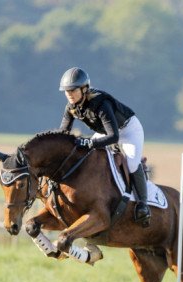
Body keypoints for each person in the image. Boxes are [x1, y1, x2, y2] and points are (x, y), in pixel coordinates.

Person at [58, 66, 151, 227]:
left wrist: (90, 142)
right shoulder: (71, 107)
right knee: (85, 154)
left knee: (131, 163)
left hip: (128, 130)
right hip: (105, 131)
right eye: (67, 91)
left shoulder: (101, 103)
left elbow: (114, 136)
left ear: (84, 88)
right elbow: (63, 133)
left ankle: (143, 204)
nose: (70, 94)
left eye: (73, 90)